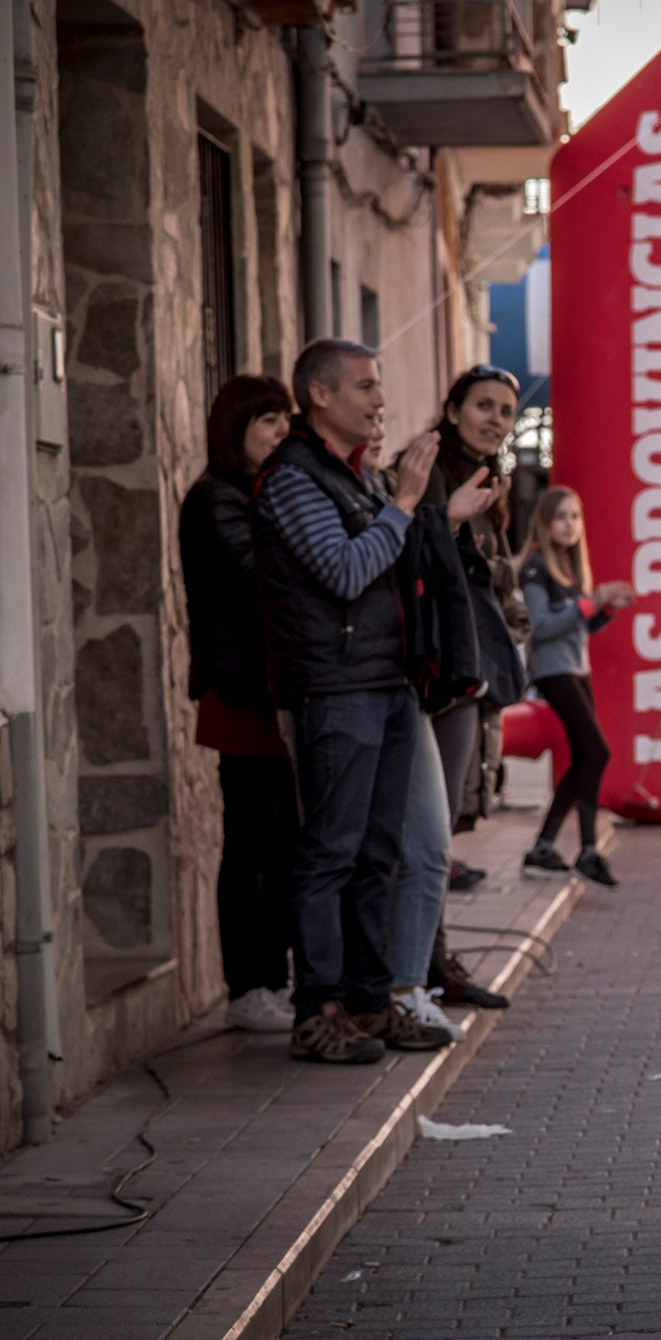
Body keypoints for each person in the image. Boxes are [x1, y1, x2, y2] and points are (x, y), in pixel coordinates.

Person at [253, 339, 461, 1062]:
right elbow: (346, 571)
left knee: (381, 853)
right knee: (330, 854)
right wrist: (405, 501)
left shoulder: (358, 477)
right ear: (320, 395)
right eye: (366, 387)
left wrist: (432, 513)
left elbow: (396, 561)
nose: (380, 400)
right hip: (335, 686)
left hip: (387, 680)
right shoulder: (291, 479)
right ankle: (317, 1011)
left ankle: (371, 1005)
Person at [179, 375, 298, 1034]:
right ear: (236, 429)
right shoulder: (216, 500)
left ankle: (271, 977)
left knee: (281, 838)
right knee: (253, 839)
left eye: (285, 419)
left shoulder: (254, 492)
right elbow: (260, 577)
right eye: (267, 421)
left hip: (272, 687)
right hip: (243, 691)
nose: (282, 430)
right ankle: (247, 986)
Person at [416, 366, 529, 1011]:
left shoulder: (489, 482)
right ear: (452, 407)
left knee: (446, 825)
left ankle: (431, 962)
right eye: (483, 405)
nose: (495, 418)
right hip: (444, 676)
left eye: (507, 411)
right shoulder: (433, 469)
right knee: (429, 832)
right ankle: (425, 968)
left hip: (475, 674)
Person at [520, 487, 634, 887]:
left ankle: (546, 846)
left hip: (575, 666)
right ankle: (586, 849)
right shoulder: (537, 567)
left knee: (588, 755)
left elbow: (579, 627)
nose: (570, 525)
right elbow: (542, 627)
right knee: (596, 751)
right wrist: (589, 603)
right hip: (554, 671)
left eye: (575, 516)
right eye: (561, 517)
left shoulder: (570, 567)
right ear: (545, 522)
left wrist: (606, 610)